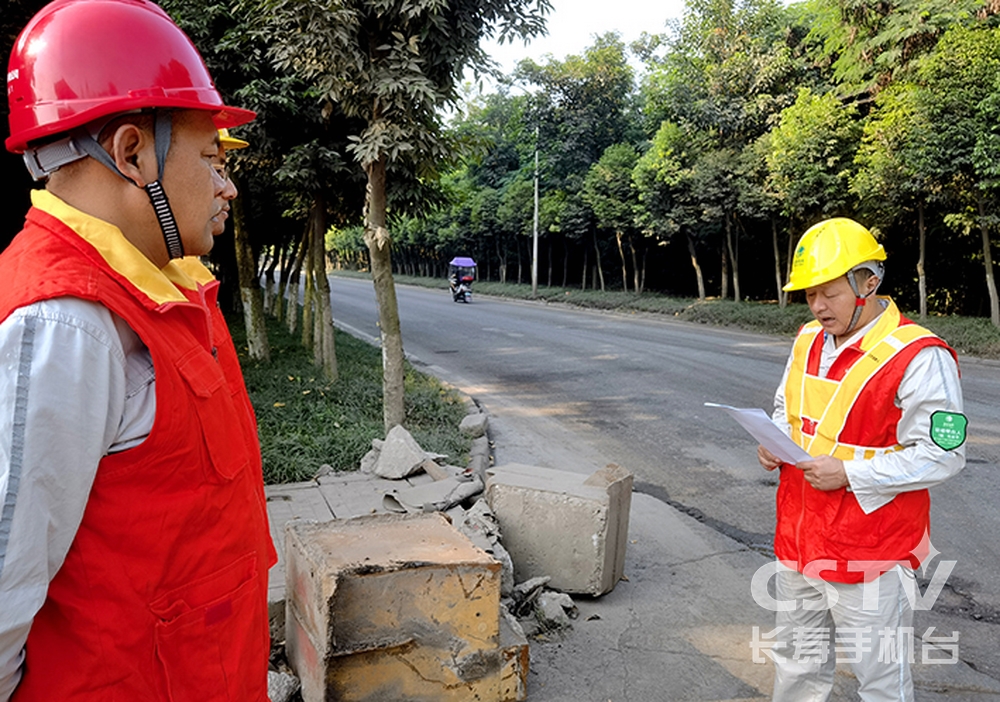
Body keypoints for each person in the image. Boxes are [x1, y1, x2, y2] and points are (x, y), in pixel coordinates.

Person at [0, 1, 275, 700]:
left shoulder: (161, 292)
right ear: (131, 152)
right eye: (212, 158)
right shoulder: (65, 325)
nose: (228, 185)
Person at [758, 218, 966, 701]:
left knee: (880, 679)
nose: (816, 306)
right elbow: (784, 410)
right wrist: (773, 440)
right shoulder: (808, 338)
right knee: (796, 663)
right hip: (800, 537)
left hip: (872, 548)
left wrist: (851, 473)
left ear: (868, 282)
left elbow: (944, 455)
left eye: (828, 293)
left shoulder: (919, 355)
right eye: (809, 294)